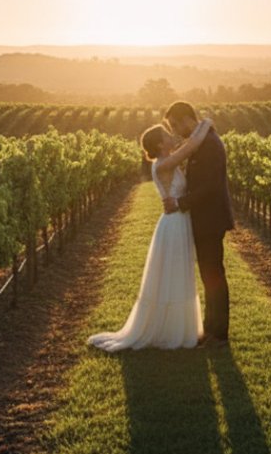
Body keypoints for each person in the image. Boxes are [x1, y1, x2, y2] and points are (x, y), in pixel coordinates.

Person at [87, 116, 215, 351]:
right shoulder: (163, 164)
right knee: (174, 274)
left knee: (179, 273)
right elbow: (191, 146)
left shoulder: (167, 161)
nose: (171, 136)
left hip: (178, 220)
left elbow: (186, 149)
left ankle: (180, 327)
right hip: (174, 224)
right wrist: (205, 123)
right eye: (166, 135)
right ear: (159, 145)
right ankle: (172, 331)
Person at [161, 101, 234, 346]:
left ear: (186, 119)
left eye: (174, 124)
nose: (174, 130)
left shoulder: (210, 145)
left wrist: (181, 203)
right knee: (209, 274)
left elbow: (209, 187)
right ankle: (212, 330)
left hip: (211, 219)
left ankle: (220, 335)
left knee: (214, 274)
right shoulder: (202, 142)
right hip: (206, 219)